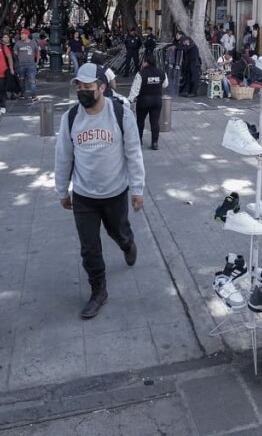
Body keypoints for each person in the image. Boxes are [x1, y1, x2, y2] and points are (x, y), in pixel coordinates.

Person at [54, 63, 145, 319]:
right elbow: (63, 156)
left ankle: (128, 244)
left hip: (115, 193)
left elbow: (134, 153)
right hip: (84, 196)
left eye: (88, 87)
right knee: (89, 247)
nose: (82, 91)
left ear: (102, 88)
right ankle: (98, 291)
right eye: (79, 87)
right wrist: (62, 190)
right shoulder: (71, 117)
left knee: (119, 232)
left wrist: (137, 189)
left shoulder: (121, 114)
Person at [128, 55, 168, 150]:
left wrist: (129, 100)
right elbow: (165, 85)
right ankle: (155, 143)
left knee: (140, 121)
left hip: (143, 101)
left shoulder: (141, 73)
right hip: (157, 101)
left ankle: (139, 140)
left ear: (146, 62)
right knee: (154, 122)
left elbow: (135, 90)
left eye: (143, 61)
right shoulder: (162, 72)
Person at [13, 28, 40, 102]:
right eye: (21, 34)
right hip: (21, 65)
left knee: (32, 80)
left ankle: (34, 95)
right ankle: (22, 93)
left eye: (23, 34)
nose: (21, 35)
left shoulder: (33, 43)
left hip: (31, 64)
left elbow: (37, 52)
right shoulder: (18, 43)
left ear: (27, 35)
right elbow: (15, 52)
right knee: (21, 80)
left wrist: (37, 62)